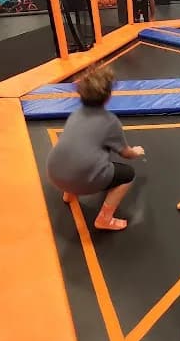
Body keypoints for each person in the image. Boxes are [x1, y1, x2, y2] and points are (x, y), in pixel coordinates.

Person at [46, 65, 145, 231]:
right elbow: (125, 153)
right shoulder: (110, 121)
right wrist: (136, 151)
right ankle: (104, 219)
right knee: (128, 175)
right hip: (79, 180)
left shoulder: (75, 114)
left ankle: (69, 195)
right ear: (107, 98)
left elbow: (74, 145)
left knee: (80, 153)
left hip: (54, 173)